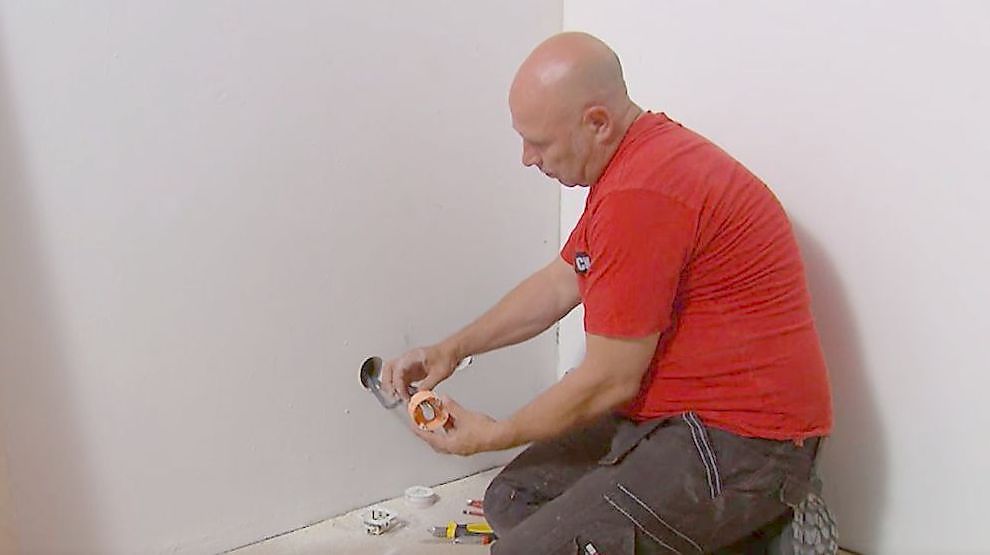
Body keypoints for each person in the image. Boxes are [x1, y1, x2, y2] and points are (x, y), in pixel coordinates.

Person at [381, 32, 834, 554]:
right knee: (513, 501)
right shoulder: (633, 163)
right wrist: (451, 349)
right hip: (667, 420)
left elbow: (608, 380)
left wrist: (494, 434)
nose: (527, 158)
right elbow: (561, 282)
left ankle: (769, 525)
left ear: (596, 122)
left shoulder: (643, 193)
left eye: (539, 143)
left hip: (743, 443)